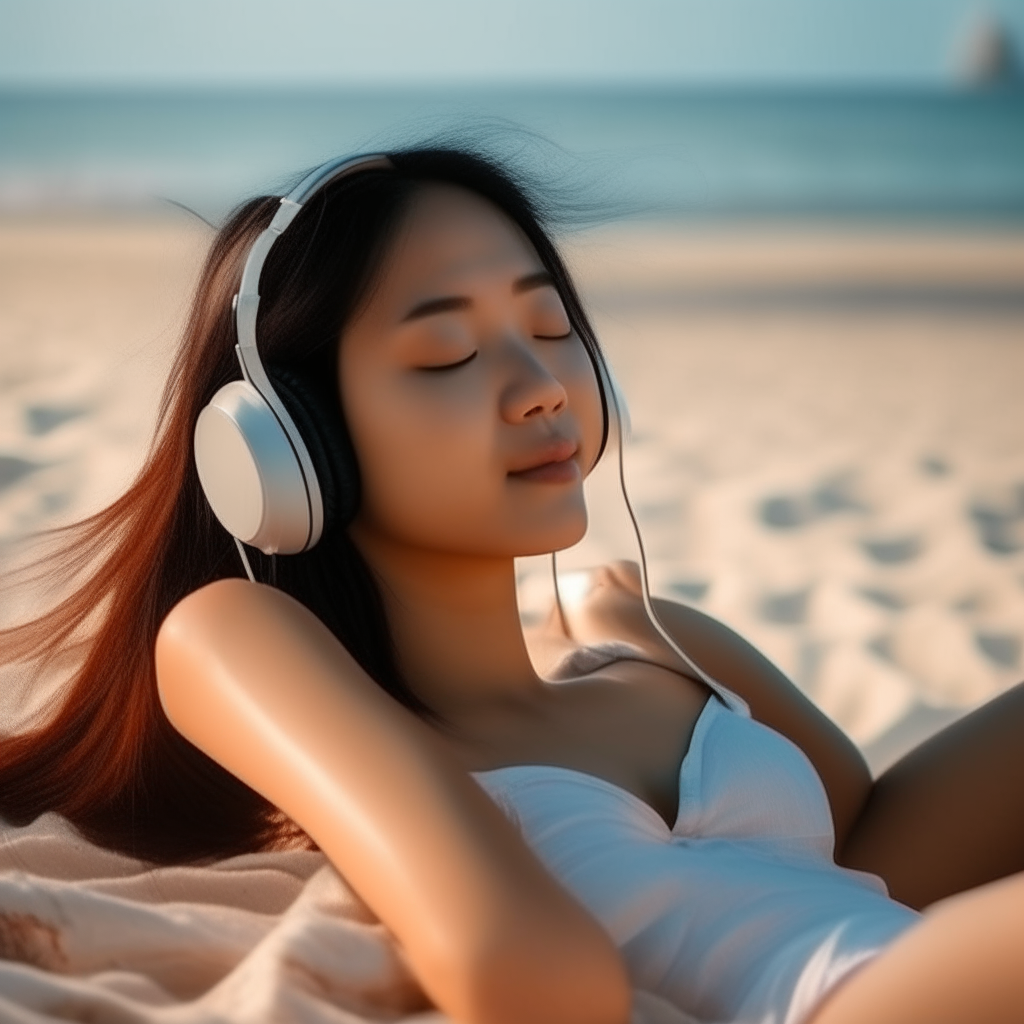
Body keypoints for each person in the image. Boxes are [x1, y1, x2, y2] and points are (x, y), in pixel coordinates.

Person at [1, 145, 1022, 1024]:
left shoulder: (666, 649)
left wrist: (636, 619)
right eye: (446, 352)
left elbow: (876, 850)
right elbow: (521, 971)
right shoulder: (233, 634)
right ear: (291, 442)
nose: (539, 389)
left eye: (548, 330)